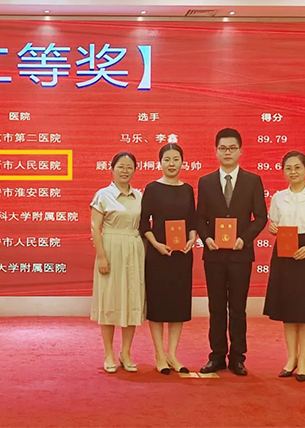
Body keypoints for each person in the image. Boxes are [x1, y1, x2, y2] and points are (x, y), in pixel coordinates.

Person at [197, 128, 268, 376]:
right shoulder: (205, 182)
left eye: (232, 148)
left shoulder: (253, 181)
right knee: (216, 307)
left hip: (240, 254)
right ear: (216, 151)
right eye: (223, 148)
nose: (227, 152)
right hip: (214, 254)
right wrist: (206, 238)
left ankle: (238, 357)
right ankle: (216, 355)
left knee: (238, 308)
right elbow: (200, 217)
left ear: (240, 151)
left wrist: (244, 239)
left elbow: (261, 217)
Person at [263, 151, 305, 382]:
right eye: (288, 168)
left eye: (297, 167)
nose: (293, 172)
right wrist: (272, 229)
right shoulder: (278, 197)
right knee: (288, 309)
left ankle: (303, 360)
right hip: (283, 251)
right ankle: (291, 358)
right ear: (283, 171)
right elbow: (274, 224)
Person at [139, 144, 196, 375]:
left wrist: (192, 237)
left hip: (181, 255)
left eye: (176, 159)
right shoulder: (152, 189)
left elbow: (192, 220)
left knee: (178, 305)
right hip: (158, 254)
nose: (172, 164)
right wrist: (156, 244)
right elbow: (144, 222)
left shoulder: (187, 189)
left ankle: (172, 353)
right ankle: (159, 355)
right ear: (160, 162)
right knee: (158, 305)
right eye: (167, 159)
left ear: (183, 162)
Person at [90, 151, 145, 373]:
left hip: (134, 250)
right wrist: (102, 256)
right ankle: (108, 353)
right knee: (109, 301)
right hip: (111, 249)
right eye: (121, 166)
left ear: (135, 170)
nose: (125, 171)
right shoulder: (103, 195)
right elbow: (95, 227)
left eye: (129, 167)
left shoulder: (139, 196)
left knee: (132, 300)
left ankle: (126, 352)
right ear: (112, 169)